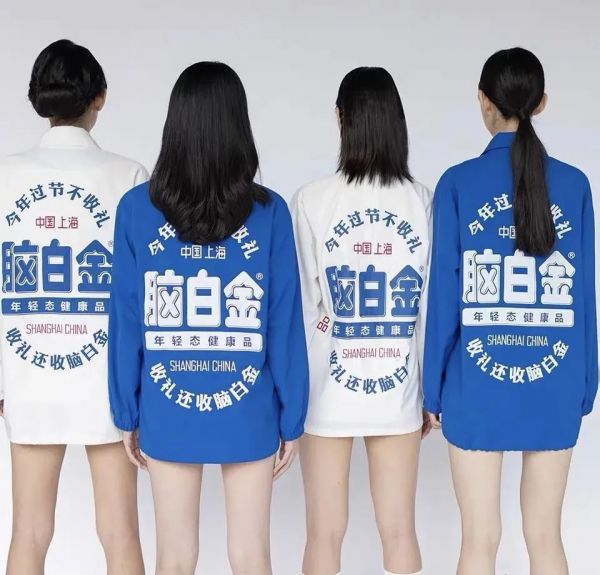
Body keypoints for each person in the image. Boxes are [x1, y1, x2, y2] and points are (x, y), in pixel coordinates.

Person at [108, 61, 309, 575]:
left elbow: (127, 321)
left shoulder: (136, 210)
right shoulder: (269, 213)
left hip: (167, 405)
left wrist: (127, 412)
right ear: (239, 125)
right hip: (249, 406)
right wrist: (292, 417)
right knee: (251, 557)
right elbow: (283, 324)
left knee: (174, 559)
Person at [424, 47, 598, 575]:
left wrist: (432, 390)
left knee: (479, 540)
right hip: (555, 382)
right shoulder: (574, 185)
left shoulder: (457, 183)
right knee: (545, 536)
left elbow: (445, 300)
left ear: (483, 101)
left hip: (476, 385)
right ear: (541, 103)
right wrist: (585, 384)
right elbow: (582, 297)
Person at [0, 39, 147, 575]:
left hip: (28, 373)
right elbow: (144, 294)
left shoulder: (5, 176)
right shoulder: (128, 177)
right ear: (99, 98)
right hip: (106, 377)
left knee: (29, 532)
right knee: (120, 531)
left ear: (37, 98)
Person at [292, 66, 431, 575]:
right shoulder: (421, 201)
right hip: (397, 384)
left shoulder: (312, 200)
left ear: (340, 118)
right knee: (400, 530)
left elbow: (305, 307)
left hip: (326, 385)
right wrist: (428, 391)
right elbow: (427, 308)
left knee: (323, 533)